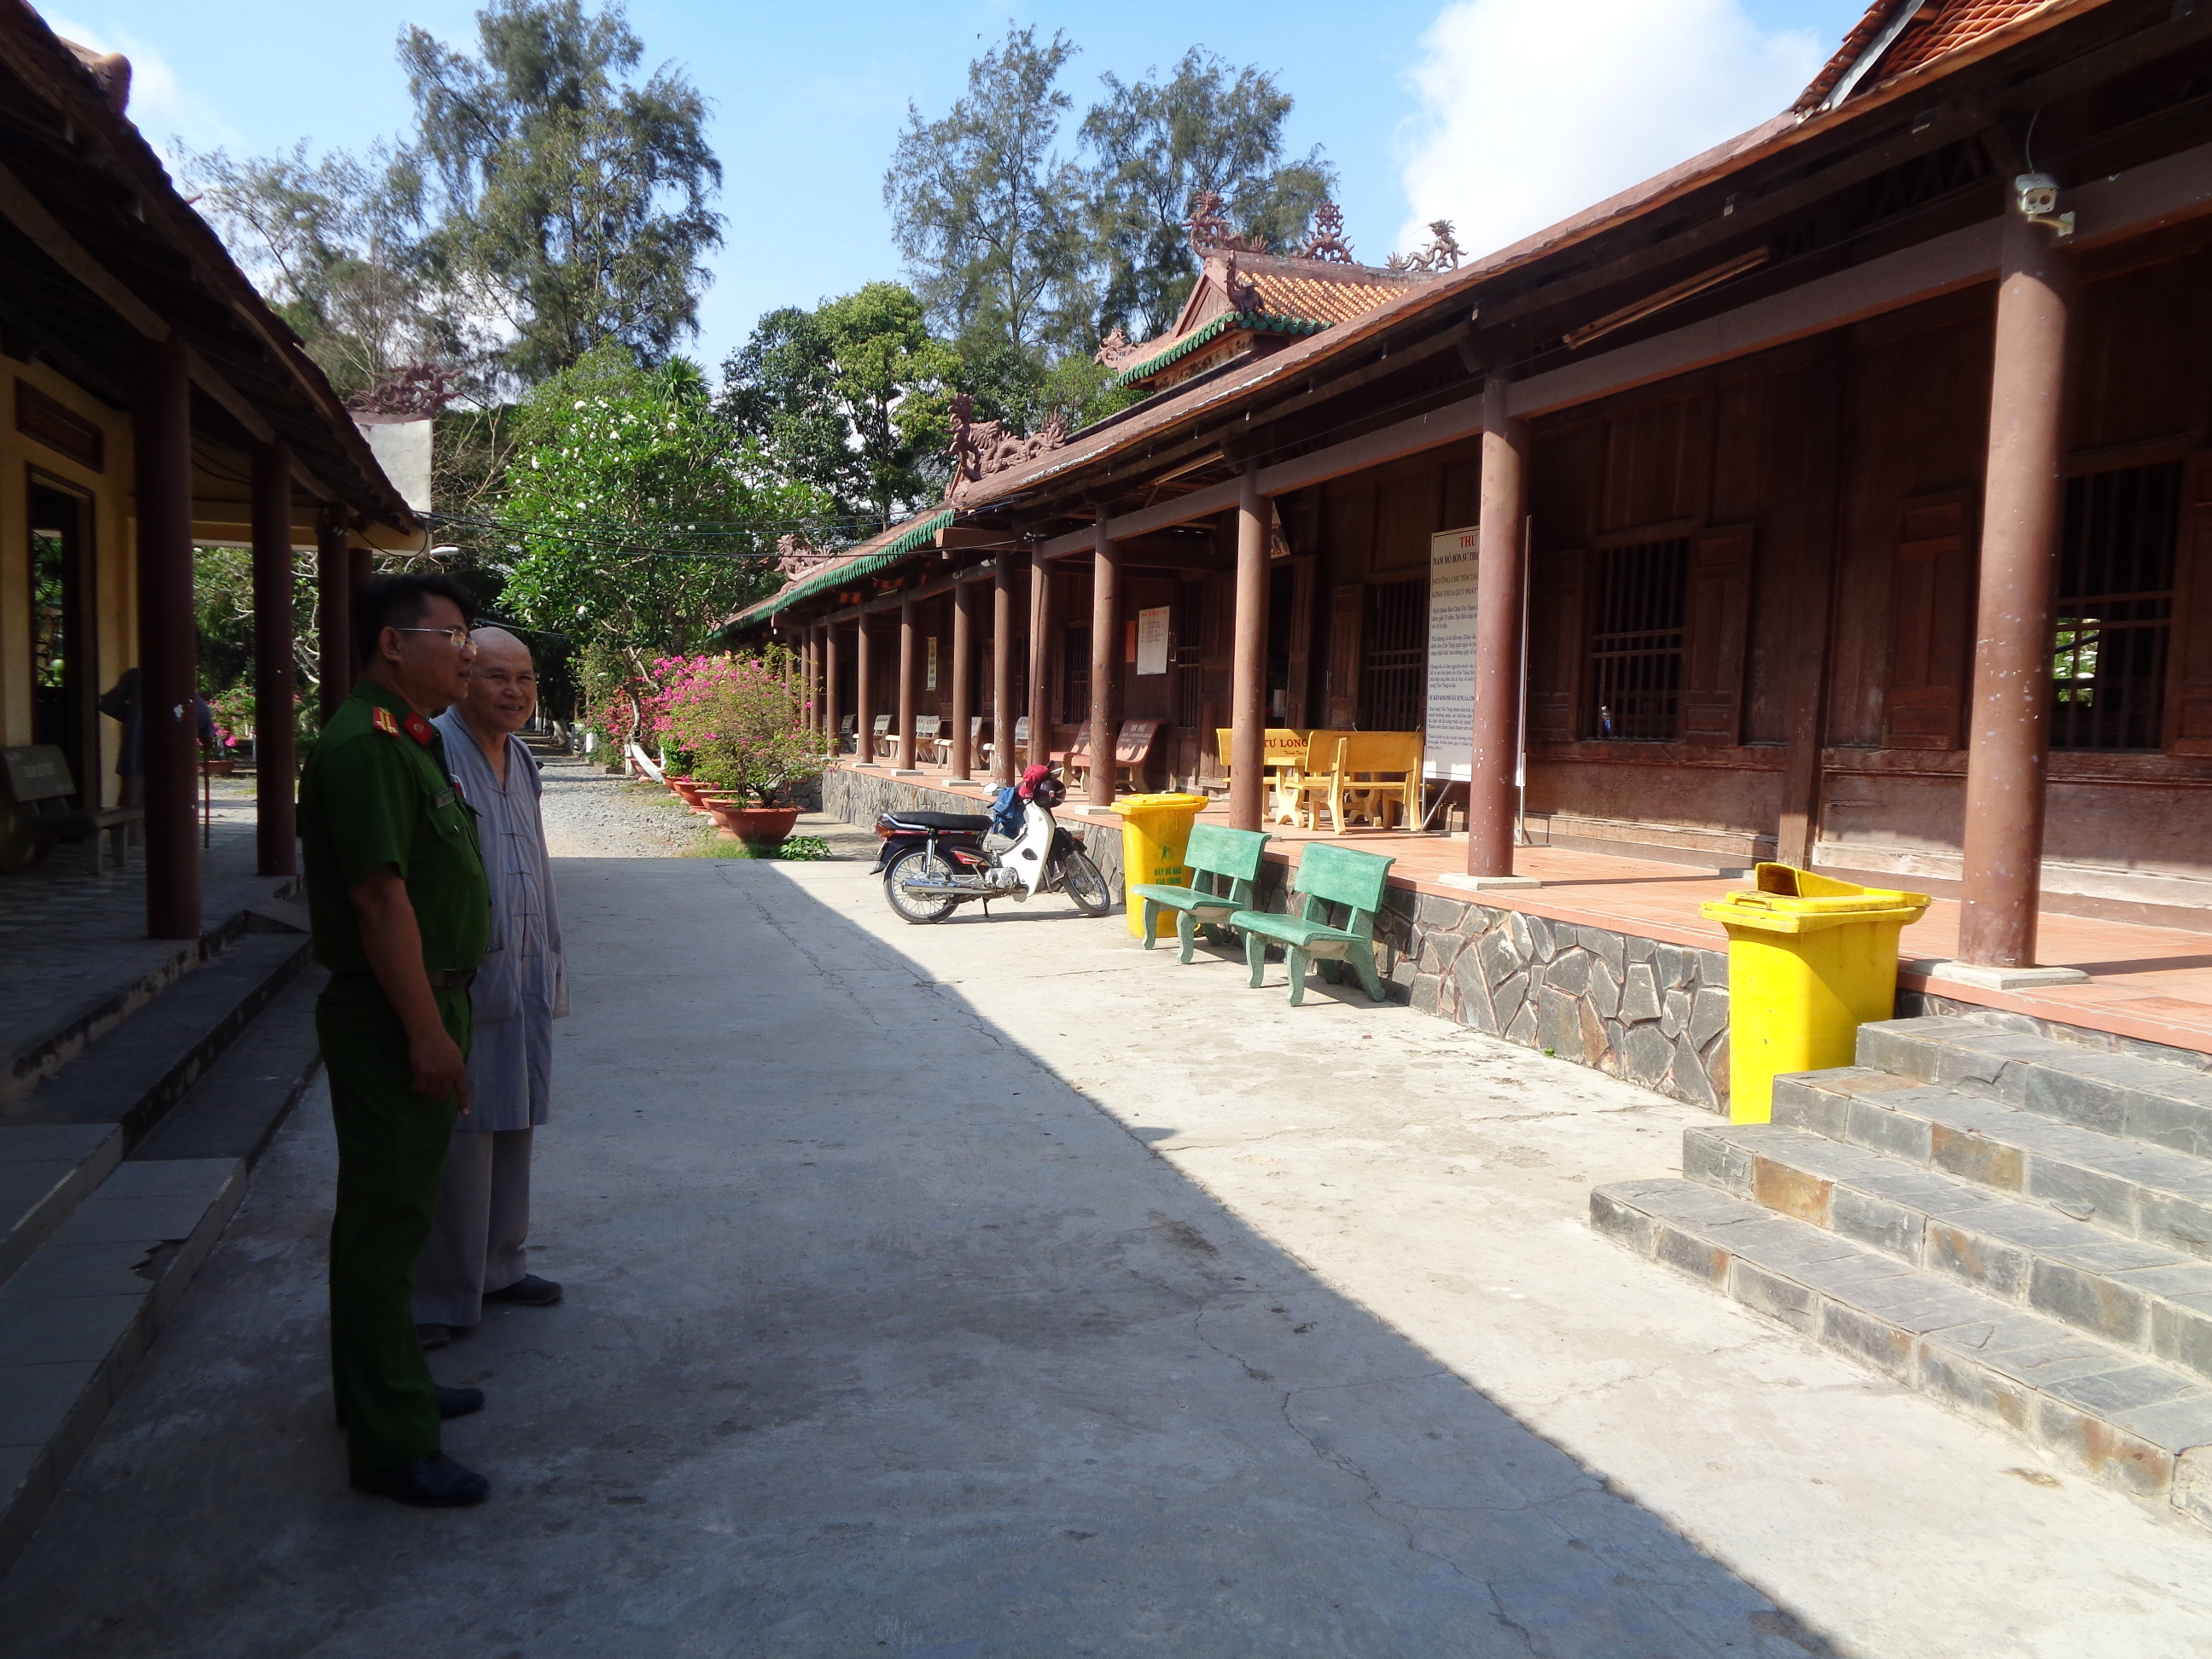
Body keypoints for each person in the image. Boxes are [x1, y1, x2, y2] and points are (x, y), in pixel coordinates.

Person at [298, 572, 493, 1508]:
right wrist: (426, 1032)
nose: (467, 654)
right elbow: (379, 901)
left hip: (424, 1003)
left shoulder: (405, 741)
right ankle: (391, 1441)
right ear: (392, 643)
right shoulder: (368, 748)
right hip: (393, 1015)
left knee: (393, 1213)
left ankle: (382, 1386)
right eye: (452, 636)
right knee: (387, 1223)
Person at [416, 627, 567, 1348]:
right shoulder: (432, 751)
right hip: (460, 977)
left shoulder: (523, 757)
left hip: (525, 963)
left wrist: (553, 959)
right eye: (496, 676)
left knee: (515, 1119)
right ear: (463, 678)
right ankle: (440, 1295)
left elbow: (536, 863)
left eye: (525, 678)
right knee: (459, 1141)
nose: (515, 691)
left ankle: (501, 1265)